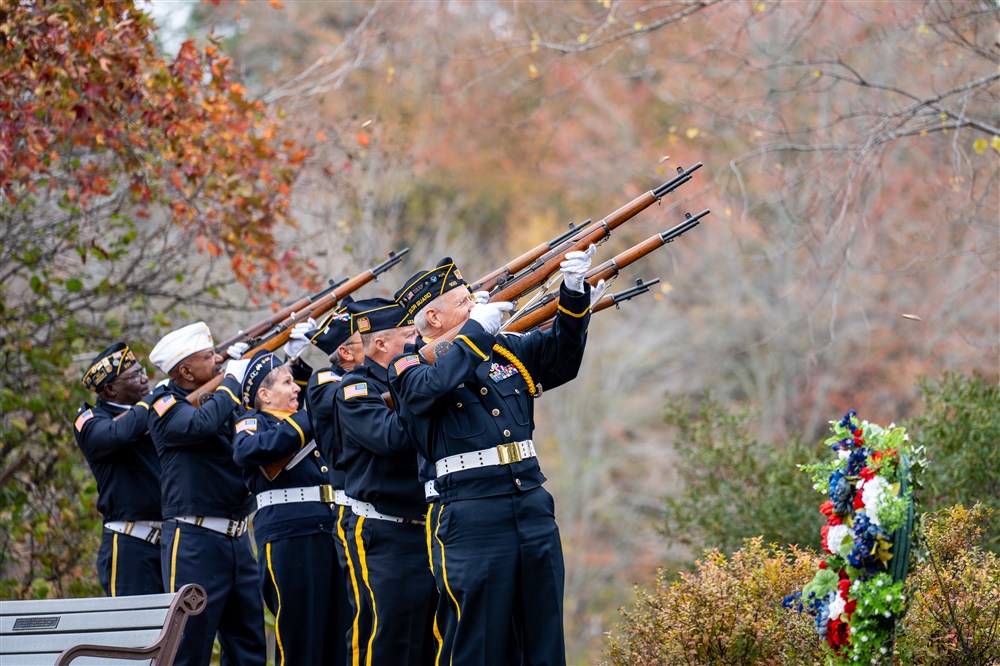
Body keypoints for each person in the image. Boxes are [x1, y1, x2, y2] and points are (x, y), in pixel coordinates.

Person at [388, 251, 594, 666]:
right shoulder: (406, 366)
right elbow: (433, 386)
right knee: (478, 643)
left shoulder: (503, 348)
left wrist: (572, 293)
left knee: (544, 638)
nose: (477, 307)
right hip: (472, 516)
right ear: (433, 319)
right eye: (465, 303)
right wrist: (478, 332)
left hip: (531, 504)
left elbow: (561, 359)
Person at [147, 322, 265, 666]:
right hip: (194, 542)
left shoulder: (216, 399)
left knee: (250, 645)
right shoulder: (164, 404)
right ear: (185, 370)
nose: (218, 359)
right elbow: (200, 425)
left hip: (238, 537)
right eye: (208, 356)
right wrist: (231, 380)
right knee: (187, 645)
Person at [334, 298, 436, 665]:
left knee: (429, 640)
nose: (417, 341)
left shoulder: (417, 374)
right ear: (380, 344)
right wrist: (419, 387)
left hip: (425, 527)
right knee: (383, 636)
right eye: (409, 335)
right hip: (381, 530)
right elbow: (391, 438)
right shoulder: (354, 389)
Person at [232, 349, 341, 666]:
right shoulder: (254, 421)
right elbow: (249, 451)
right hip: (289, 536)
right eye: (287, 382)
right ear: (263, 394)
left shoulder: (304, 423)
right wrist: (311, 415)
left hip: (328, 529)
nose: (297, 388)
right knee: (298, 640)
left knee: (337, 635)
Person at [73, 342, 163, 597]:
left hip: (169, 542)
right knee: (134, 633)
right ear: (110, 389)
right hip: (129, 545)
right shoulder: (90, 420)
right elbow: (117, 434)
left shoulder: (152, 411)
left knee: (176, 633)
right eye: (134, 376)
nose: (145, 378)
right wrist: (157, 398)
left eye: (142, 370)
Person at [301, 305, 360, 663]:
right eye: (364, 340)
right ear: (346, 353)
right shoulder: (326, 382)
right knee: (363, 614)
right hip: (356, 509)